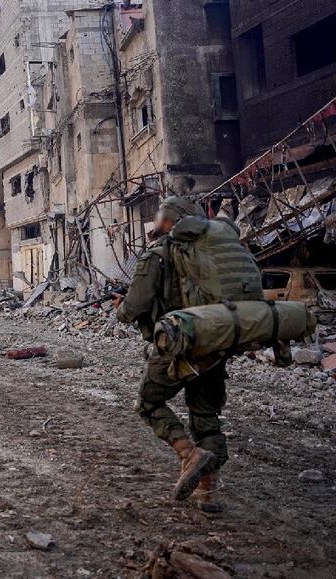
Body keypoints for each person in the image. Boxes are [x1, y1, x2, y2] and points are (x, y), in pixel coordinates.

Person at [114, 191, 261, 513]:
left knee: (149, 403)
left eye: (159, 217)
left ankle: (187, 454)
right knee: (206, 417)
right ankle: (207, 491)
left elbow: (135, 304)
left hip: (177, 343)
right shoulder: (217, 251)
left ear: (169, 220)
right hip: (216, 341)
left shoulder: (158, 254)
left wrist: (121, 311)